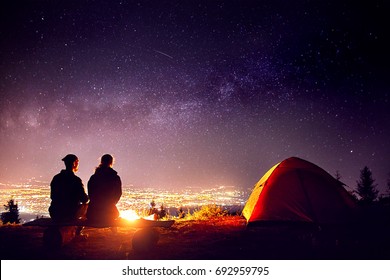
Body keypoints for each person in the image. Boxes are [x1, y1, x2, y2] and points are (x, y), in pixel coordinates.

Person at [48, 154, 89, 222]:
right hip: (70, 214)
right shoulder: (76, 180)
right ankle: (78, 229)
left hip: (55, 213)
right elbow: (84, 199)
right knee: (87, 205)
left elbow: (52, 196)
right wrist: (88, 197)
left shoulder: (56, 178)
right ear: (74, 163)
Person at [86, 154, 122, 224]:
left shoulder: (93, 177)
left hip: (93, 214)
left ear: (101, 162)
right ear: (111, 162)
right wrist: (111, 204)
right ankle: (114, 233)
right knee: (116, 215)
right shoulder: (115, 178)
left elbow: (90, 194)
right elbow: (118, 194)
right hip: (110, 214)